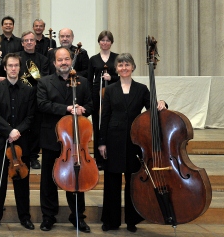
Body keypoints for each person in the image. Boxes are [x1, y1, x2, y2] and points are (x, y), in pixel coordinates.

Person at [98, 53, 166, 233]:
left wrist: (161, 102)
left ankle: (132, 220)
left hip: (136, 140)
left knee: (133, 182)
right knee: (111, 182)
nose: (124, 68)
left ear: (133, 67)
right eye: (120, 65)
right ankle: (110, 221)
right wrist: (102, 142)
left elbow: (152, 109)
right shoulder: (110, 90)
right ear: (116, 69)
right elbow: (104, 118)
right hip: (113, 140)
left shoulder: (142, 89)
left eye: (127, 65)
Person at [36, 46, 92, 233]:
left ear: (71, 60)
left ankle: (78, 217)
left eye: (66, 59)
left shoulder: (82, 82)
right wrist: (67, 109)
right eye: (60, 60)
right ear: (54, 63)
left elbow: (91, 104)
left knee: (76, 178)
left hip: (75, 141)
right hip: (52, 138)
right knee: (48, 181)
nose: (64, 63)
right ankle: (48, 217)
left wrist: (83, 109)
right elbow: (42, 105)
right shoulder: (44, 82)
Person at [0, 54, 35, 230]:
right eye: (10, 66)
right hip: (1, 141)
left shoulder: (29, 90)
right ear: (4, 68)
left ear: (19, 68)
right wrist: (9, 131)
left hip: (21, 142)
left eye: (16, 65)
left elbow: (30, 117)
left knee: (22, 181)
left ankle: (25, 217)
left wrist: (18, 131)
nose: (13, 68)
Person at [18, 30, 50, 170]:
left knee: (36, 130)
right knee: (21, 129)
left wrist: (25, 77)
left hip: (37, 99)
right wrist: (29, 77)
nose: (29, 42)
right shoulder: (16, 58)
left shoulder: (43, 59)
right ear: (22, 43)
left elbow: (43, 80)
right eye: (26, 40)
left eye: (32, 40)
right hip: (19, 99)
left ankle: (33, 157)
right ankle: (21, 156)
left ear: (35, 42)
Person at [88, 30, 119, 170]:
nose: (105, 43)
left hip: (113, 94)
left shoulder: (117, 58)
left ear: (111, 42)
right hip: (97, 94)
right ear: (99, 42)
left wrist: (111, 78)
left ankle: (111, 155)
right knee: (98, 124)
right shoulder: (93, 59)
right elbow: (89, 79)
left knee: (110, 124)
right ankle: (99, 158)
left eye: (107, 40)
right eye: (102, 40)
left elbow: (122, 77)